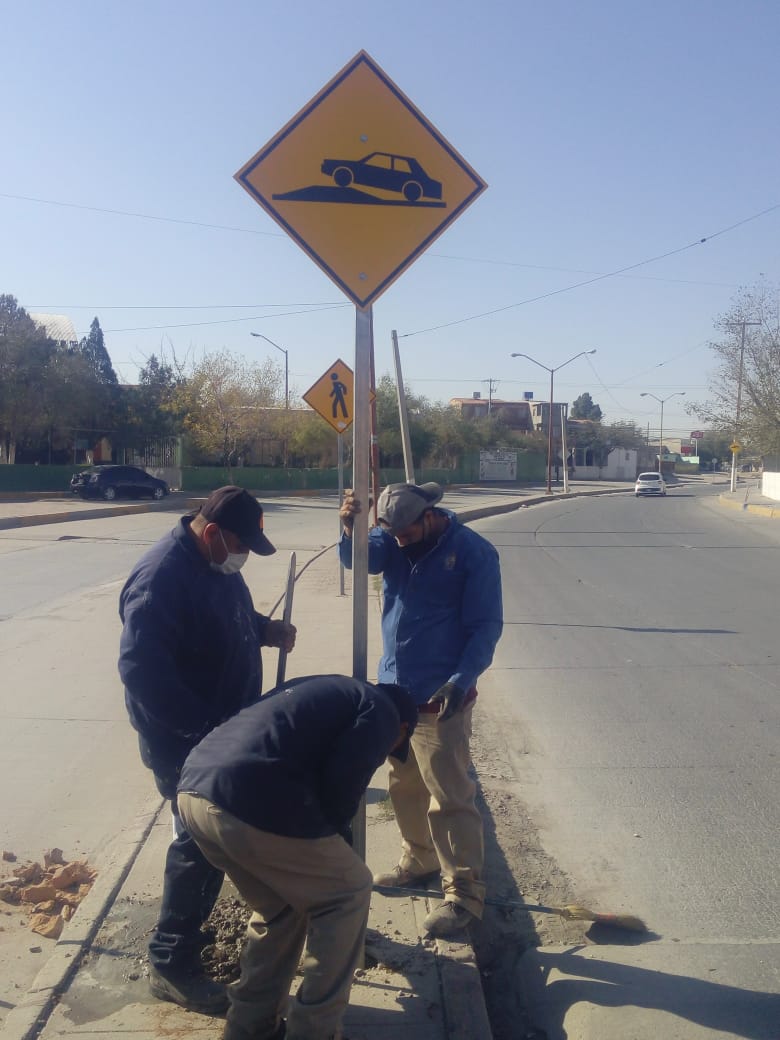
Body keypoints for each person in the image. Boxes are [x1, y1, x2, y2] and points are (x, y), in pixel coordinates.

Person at [118, 485, 297, 1013]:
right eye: (241, 546)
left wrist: (266, 630)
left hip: (222, 731)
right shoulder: (161, 581)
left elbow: (229, 618)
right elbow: (142, 674)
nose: (243, 559)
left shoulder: (216, 564)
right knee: (199, 844)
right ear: (213, 532)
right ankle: (170, 963)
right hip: (186, 742)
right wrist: (201, 737)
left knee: (211, 842)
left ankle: (188, 938)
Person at [176, 674, 418, 1040]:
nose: (388, 751)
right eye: (394, 745)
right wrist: (338, 843)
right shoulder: (382, 710)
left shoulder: (326, 690)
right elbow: (342, 785)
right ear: (402, 727)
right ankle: (314, 1032)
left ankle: (249, 1027)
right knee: (349, 891)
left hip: (193, 793)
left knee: (281, 908)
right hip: (246, 800)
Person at [338, 482, 503, 938]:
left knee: (450, 796)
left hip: (441, 696)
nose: (399, 542)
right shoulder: (390, 537)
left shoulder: (473, 553)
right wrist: (349, 526)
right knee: (404, 785)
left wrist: (461, 679)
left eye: (407, 534)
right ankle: (419, 857)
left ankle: (465, 895)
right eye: (392, 534)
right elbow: (358, 562)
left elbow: (485, 626)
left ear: (430, 516)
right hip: (396, 691)